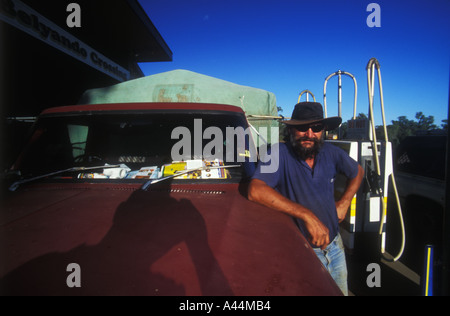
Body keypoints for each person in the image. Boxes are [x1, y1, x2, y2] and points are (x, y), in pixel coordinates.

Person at [248, 101, 364, 295]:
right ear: (292, 129)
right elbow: (255, 190)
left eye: (316, 127)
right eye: (302, 127)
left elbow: (358, 171)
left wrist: (345, 202)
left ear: (323, 130)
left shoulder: (331, 153)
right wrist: (306, 215)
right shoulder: (277, 153)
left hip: (335, 247)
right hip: (301, 252)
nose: (309, 134)